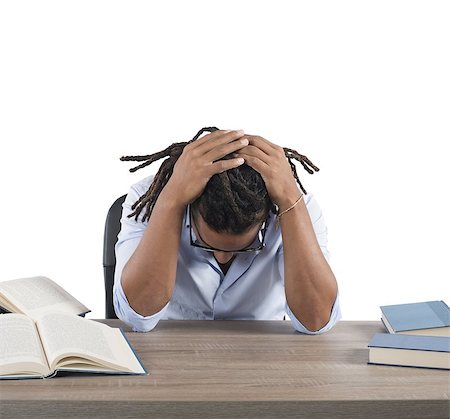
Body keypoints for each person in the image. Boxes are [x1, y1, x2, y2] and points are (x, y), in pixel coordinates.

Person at [113, 127, 341, 333]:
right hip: (169, 357)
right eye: (206, 244)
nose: (223, 256)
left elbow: (316, 320)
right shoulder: (149, 198)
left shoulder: (294, 206)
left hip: (264, 358)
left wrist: (291, 200)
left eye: (244, 249)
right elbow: (138, 316)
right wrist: (172, 201)